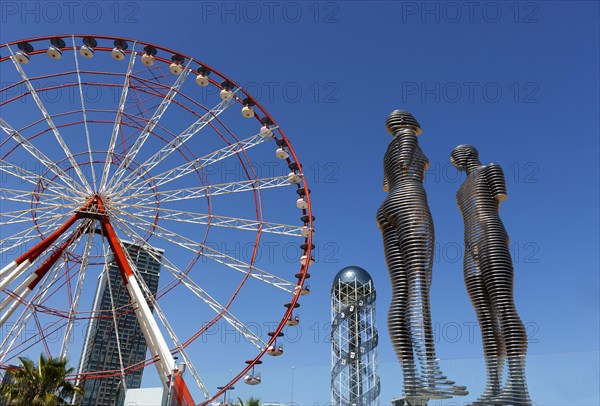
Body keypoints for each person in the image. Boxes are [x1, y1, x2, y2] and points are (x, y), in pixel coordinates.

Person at [377, 110, 466, 403]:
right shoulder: (407, 138)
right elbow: (407, 163)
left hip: (387, 207)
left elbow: (386, 184)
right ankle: (430, 375)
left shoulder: (387, 150)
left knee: (400, 291)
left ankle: (411, 381)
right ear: (408, 122)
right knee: (419, 287)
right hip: (410, 201)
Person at [451, 144, 531, 405]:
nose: (455, 159)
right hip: (469, 245)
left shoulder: (491, 169)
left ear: (470, 153)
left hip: (492, 235)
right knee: (484, 317)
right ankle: (494, 386)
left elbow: (500, 196)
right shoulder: (459, 191)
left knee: (504, 307)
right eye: (453, 157)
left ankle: (517, 384)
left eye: (458, 153)